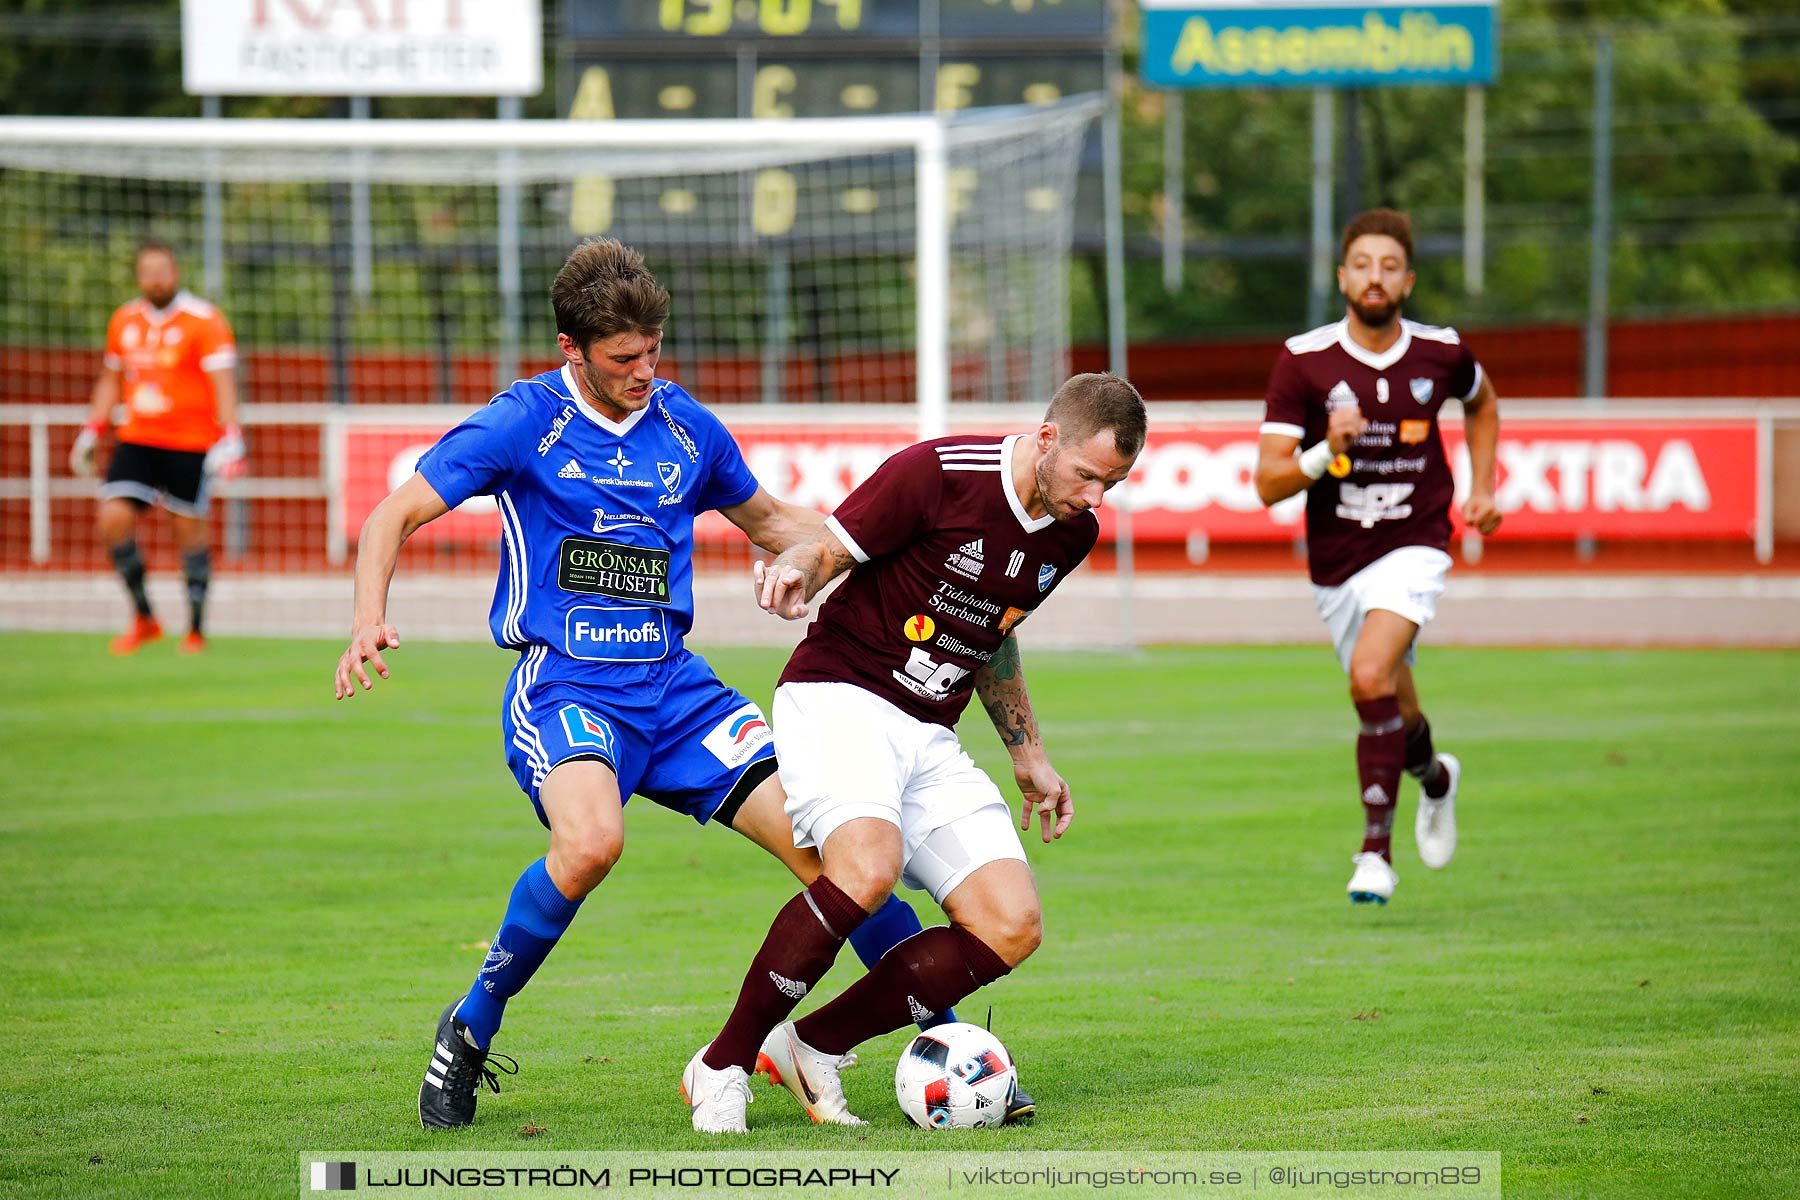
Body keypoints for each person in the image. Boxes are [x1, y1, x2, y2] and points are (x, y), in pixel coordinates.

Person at [332, 238, 953, 1131]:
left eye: (654, 350)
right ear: (570, 349)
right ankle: (470, 1028)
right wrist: (367, 619)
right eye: (624, 358)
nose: (644, 370)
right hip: (571, 689)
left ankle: (953, 1036)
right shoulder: (523, 423)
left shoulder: (685, 427)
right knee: (590, 846)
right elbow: (395, 512)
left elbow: (775, 521)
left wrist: (873, 554)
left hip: (677, 691)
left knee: (840, 855)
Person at [682, 373, 1146, 1134]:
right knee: (865, 869)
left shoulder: (1073, 533)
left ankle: (812, 1045)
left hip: (930, 730)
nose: (1097, 497)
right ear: (1048, 437)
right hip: (840, 693)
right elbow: (829, 549)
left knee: (1011, 924)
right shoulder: (937, 471)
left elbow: (996, 630)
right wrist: (799, 570)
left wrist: (1027, 751)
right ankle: (723, 1063)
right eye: (1089, 476)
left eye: (1115, 483)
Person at [1254, 208, 1501, 906]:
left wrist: (1482, 489)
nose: (1375, 277)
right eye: (1362, 263)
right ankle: (1437, 778)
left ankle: (1374, 855)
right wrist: (1326, 450)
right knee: (1389, 699)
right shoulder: (1303, 361)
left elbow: (1483, 405)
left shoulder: (1443, 352)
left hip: (1416, 542)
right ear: (1342, 275)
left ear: (1408, 279)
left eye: (1389, 266)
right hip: (1337, 559)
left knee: (1369, 674)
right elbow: (1269, 481)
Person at [71, 239, 246, 655]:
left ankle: (196, 630)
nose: (155, 279)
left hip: (190, 443)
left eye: (162, 270)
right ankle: (144, 617)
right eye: (147, 271)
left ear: (175, 272)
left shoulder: (204, 320)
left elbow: (223, 382)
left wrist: (231, 435)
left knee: (188, 533)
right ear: (138, 276)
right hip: (137, 440)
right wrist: (92, 429)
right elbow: (111, 378)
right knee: (111, 520)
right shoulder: (124, 321)